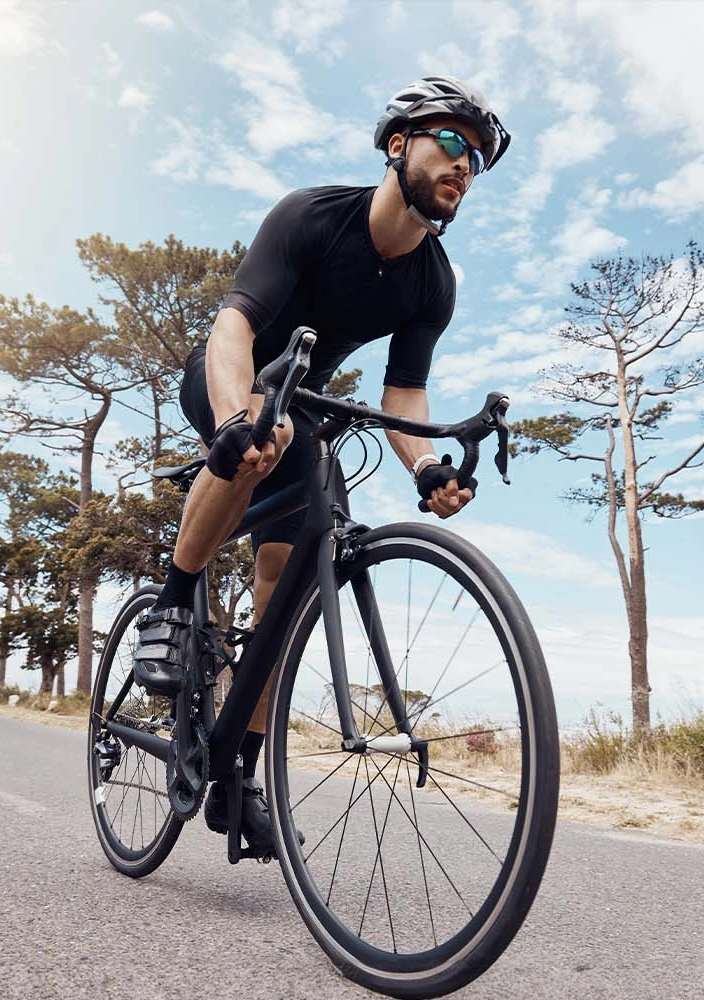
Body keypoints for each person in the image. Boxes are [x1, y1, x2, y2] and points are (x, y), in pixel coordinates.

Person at [132, 76, 510, 853]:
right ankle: (174, 603)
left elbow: (403, 391)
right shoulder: (311, 215)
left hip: (304, 405)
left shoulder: (433, 283)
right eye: (451, 141)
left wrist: (428, 467)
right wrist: (236, 417)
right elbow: (233, 325)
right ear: (398, 144)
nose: (465, 163)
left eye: (477, 157)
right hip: (230, 372)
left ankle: (235, 775)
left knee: (288, 584)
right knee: (255, 445)